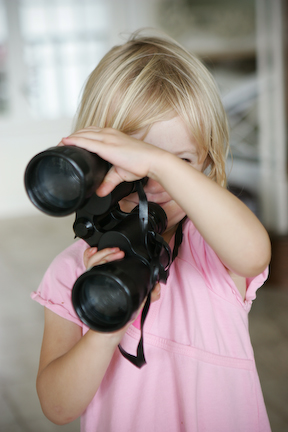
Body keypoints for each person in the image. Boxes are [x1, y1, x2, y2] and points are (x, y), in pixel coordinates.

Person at [31, 30, 272, 432]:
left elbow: (254, 253)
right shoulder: (72, 271)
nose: (154, 183)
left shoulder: (210, 249)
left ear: (207, 164)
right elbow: (57, 407)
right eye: (133, 160)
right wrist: (104, 329)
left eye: (179, 162)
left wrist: (156, 162)